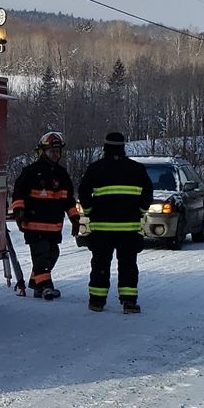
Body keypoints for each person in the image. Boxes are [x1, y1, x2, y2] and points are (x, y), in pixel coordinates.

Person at [77, 130, 153, 313]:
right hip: (129, 228)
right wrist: (140, 212)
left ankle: (97, 301)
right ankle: (129, 302)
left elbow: (83, 193)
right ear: (123, 147)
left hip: (102, 229)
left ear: (105, 148)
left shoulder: (96, 168)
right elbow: (148, 194)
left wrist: (89, 211)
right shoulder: (136, 169)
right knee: (128, 265)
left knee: (100, 265)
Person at [10, 131, 78, 299]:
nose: (55, 155)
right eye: (51, 152)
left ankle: (36, 284)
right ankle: (47, 287)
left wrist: (75, 219)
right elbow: (18, 194)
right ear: (42, 152)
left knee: (52, 255)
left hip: (54, 227)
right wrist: (19, 212)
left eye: (57, 152)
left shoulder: (62, 175)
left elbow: (68, 200)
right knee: (41, 256)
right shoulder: (31, 172)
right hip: (34, 225)